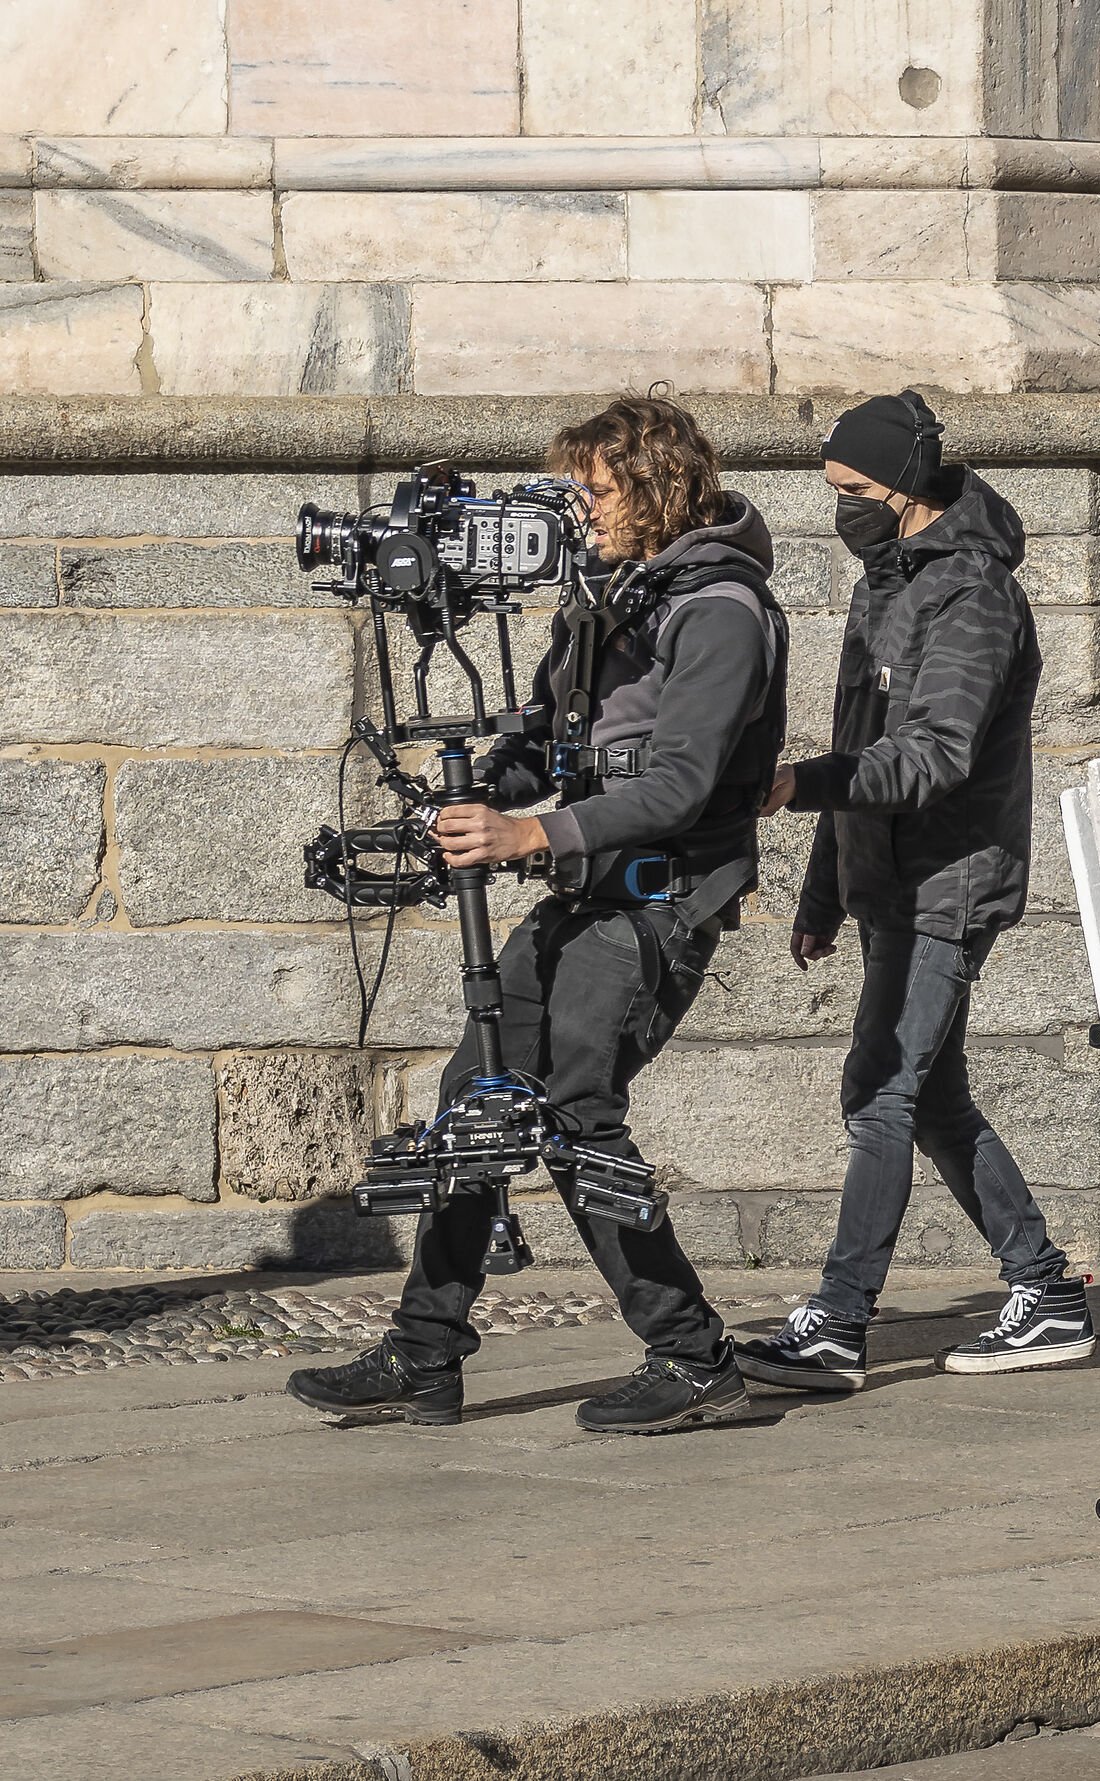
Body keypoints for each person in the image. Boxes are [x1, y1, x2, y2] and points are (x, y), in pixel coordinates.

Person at [288, 395, 789, 1435]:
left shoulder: (720, 610)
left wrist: (529, 835)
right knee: (476, 1093)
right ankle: (425, 1352)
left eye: (595, 490)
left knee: (568, 1109)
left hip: (657, 903)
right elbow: (548, 726)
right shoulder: (613, 593)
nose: (578, 509)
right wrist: (471, 785)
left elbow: (684, 785)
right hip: (586, 892)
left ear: (655, 487)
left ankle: (694, 1356)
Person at [736, 392, 1093, 1393]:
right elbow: (857, 746)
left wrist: (798, 784)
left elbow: (931, 755)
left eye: (853, 490)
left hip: (950, 880)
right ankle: (1046, 1289)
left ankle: (839, 1322)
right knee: (932, 1098)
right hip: (886, 880)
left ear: (902, 485)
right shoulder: (882, 581)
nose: (840, 507)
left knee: (880, 1091)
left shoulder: (974, 595)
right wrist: (822, 890)